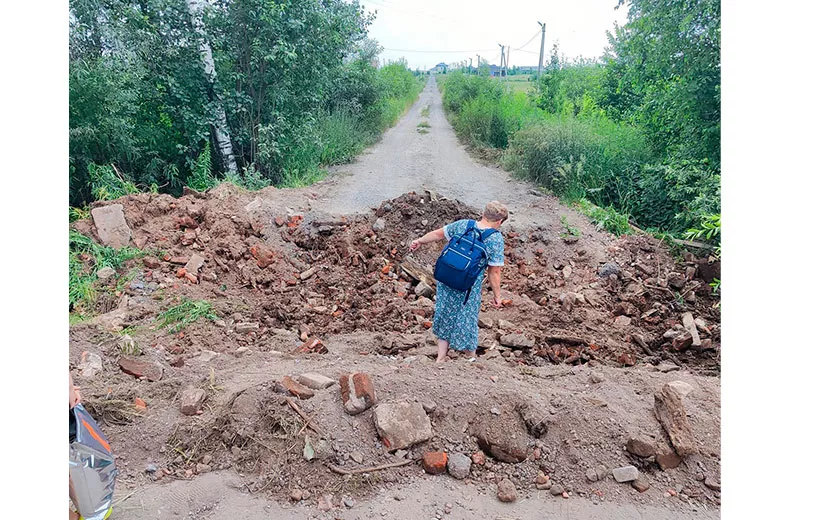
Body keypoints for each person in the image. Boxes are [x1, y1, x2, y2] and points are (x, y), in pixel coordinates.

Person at [409, 201, 508, 362]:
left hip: (446, 278)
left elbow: (438, 234)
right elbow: (494, 271)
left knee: (444, 312)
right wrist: (497, 295)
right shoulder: (495, 238)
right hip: (467, 287)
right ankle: (469, 358)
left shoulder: (464, 225)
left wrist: (420, 240)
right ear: (499, 221)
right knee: (466, 317)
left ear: (483, 214)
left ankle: (441, 358)